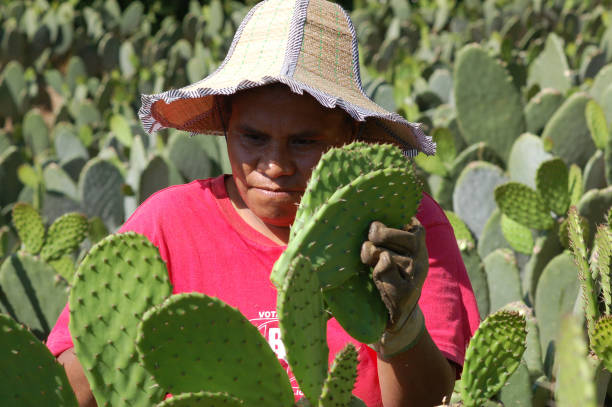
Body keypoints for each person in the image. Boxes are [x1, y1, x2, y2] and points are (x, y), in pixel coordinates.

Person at [47, 0, 480, 406]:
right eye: (253, 137)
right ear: (225, 123)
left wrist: (400, 329)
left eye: (304, 141)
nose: (274, 165)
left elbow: (437, 398)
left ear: (351, 135)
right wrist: (115, 339)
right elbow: (63, 388)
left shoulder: (402, 225)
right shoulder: (167, 224)